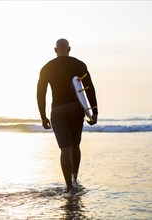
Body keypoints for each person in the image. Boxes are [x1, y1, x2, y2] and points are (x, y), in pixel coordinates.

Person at [37, 38, 98, 193]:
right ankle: (75, 179)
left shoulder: (46, 68)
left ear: (55, 50)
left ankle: (69, 187)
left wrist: (43, 116)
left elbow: (40, 94)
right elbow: (89, 87)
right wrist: (94, 111)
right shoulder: (78, 64)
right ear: (69, 49)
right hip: (75, 108)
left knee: (65, 149)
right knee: (75, 145)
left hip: (57, 110)